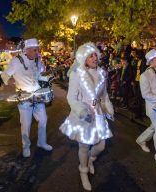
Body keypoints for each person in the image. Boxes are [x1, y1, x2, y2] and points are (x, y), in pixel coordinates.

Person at [59, 42, 114, 191]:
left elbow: (104, 95)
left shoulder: (102, 73)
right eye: (90, 56)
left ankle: (91, 159)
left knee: (101, 145)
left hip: (98, 114)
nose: (94, 58)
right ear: (84, 58)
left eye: (95, 54)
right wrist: (81, 110)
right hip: (83, 114)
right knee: (84, 145)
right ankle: (83, 170)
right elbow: (71, 97)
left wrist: (108, 107)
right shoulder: (77, 74)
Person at [1, 38, 53, 158]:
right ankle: (26, 146)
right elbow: (4, 74)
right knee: (26, 124)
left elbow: (41, 75)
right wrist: (9, 80)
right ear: (27, 50)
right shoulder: (16, 61)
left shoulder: (38, 61)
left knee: (43, 119)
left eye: (37, 50)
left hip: (37, 95)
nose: (37, 52)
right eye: (35, 50)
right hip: (24, 97)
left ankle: (42, 142)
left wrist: (47, 77)